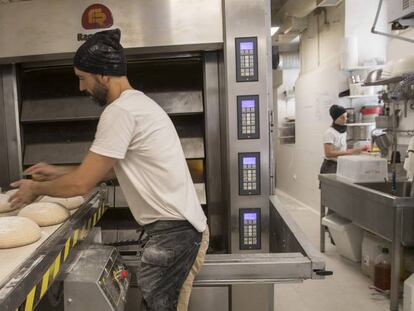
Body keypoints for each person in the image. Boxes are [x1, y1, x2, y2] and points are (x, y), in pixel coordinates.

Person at [9, 28, 209, 311]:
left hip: (174, 236)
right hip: (177, 232)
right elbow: (113, 169)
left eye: (82, 79)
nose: (81, 88)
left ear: (103, 74)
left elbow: (81, 184)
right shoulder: (138, 105)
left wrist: (35, 189)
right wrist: (58, 171)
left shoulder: (120, 112)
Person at [320, 104, 367, 174]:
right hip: (330, 166)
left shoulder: (343, 132)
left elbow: (341, 149)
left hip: (341, 163)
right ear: (335, 118)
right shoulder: (329, 133)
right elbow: (328, 153)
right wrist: (350, 152)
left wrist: (357, 150)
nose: (345, 119)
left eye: (346, 117)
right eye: (342, 117)